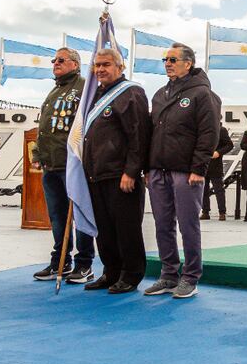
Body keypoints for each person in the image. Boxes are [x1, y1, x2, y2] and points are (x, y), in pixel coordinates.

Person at [143, 42, 218, 299]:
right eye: (165, 59)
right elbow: (149, 133)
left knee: (188, 225)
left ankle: (190, 276)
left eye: (173, 59)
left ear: (188, 63)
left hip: (186, 172)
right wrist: (147, 168)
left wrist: (199, 167)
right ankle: (168, 274)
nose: (167, 63)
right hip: (158, 171)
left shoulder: (201, 94)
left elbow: (209, 133)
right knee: (163, 224)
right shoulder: (160, 94)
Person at [79, 49, 150, 294]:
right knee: (105, 230)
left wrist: (131, 171)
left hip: (120, 175)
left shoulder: (131, 92)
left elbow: (138, 135)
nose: (100, 69)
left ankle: (131, 275)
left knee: (126, 228)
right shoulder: (96, 95)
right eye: (96, 65)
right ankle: (111, 272)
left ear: (119, 66)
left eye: (106, 64)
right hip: (96, 174)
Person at [30, 47, 96, 284]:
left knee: (79, 215)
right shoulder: (53, 92)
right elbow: (44, 128)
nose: (55, 63)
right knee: (58, 218)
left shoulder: (85, 89)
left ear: (75, 64)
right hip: (51, 165)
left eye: (61, 60)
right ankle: (60, 262)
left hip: (74, 165)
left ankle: (84, 264)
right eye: (54, 60)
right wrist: (37, 153)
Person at [201, 125, 234, 221]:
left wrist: (218, 153)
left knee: (219, 190)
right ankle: (205, 212)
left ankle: (222, 212)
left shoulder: (221, 130)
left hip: (216, 165)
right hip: (203, 163)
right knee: (203, 190)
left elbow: (229, 145)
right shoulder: (202, 128)